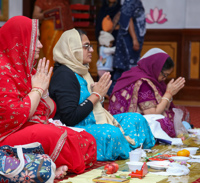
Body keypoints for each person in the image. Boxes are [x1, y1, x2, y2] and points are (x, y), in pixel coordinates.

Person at [0, 16, 97, 179]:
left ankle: (44, 165)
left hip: (25, 128)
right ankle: (45, 165)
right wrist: (37, 89)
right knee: (52, 135)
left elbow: (50, 111)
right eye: (35, 39)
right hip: (5, 137)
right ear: (20, 40)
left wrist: (42, 92)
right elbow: (14, 116)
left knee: (85, 138)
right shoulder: (3, 71)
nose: (40, 45)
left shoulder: (25, 70)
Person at [49, 28, 155, 161]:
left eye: (90, 46)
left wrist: (97, 96)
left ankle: (130, 149)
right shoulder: (64, 75)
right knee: (111, 133)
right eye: (86, 46)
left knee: (136, 119)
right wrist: (96, 95)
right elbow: (70, 118)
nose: (91, 50)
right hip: (75, 129)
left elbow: (95, 110)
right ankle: (130, 150)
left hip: (92, 121)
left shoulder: (82, 71)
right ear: (72, 48)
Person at [108, 48, 189, 138]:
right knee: (168, 123)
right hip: (129, 124)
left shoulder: (142, 74)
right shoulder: (143, 83)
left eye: (167, 75)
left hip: (132, 119)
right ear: (155, 68)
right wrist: (169, 93)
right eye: (164, 74)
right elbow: (152, 113)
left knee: (182, 114)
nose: (165, 78)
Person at [108, 0, 146, 95]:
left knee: (124, 69)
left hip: (130, 39)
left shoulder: (132, 2)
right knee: (129, 68)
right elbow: (128, 20)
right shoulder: (130, 2)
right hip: (128, 40)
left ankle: (116, 93)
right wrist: (134, 39)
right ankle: (119, 93)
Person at [32, 0, 74, 68]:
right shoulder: (42, 1)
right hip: (49, 30)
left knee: (62, 55)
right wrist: (48, 14)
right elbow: (35, 15)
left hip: (63, 32)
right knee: (50, 55)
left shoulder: (65, 1)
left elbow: (68, 17)